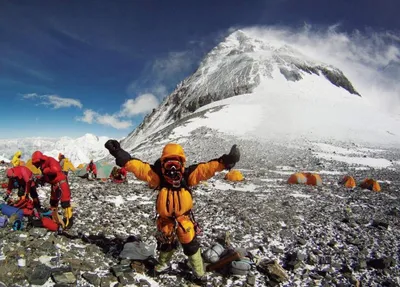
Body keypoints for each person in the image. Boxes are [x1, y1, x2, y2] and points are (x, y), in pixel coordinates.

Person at [105, 140, 240, 282]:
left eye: (176, 163)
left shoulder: (188, 175)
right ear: (162, 164)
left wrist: (225, 161)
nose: (172, 169)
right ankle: (162, 266)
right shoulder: (157, 176)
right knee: (165, 245)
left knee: (191, 246)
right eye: (169, 164)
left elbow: (207, 168)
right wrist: (119, 153)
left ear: (182, 164)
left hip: (184, 220)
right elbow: (138, 167)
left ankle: (199, 273)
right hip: (165, 220)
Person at [31, 151, 73, 229]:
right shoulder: (43, 164)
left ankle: (68, 221)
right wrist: (42, 178)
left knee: (65, 203)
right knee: (53, 202)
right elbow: (48, 176)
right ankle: (55, 219)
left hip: (61, 183)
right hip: (55, 185)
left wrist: (46, 170)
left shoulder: (50, 161)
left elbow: (55, 169)